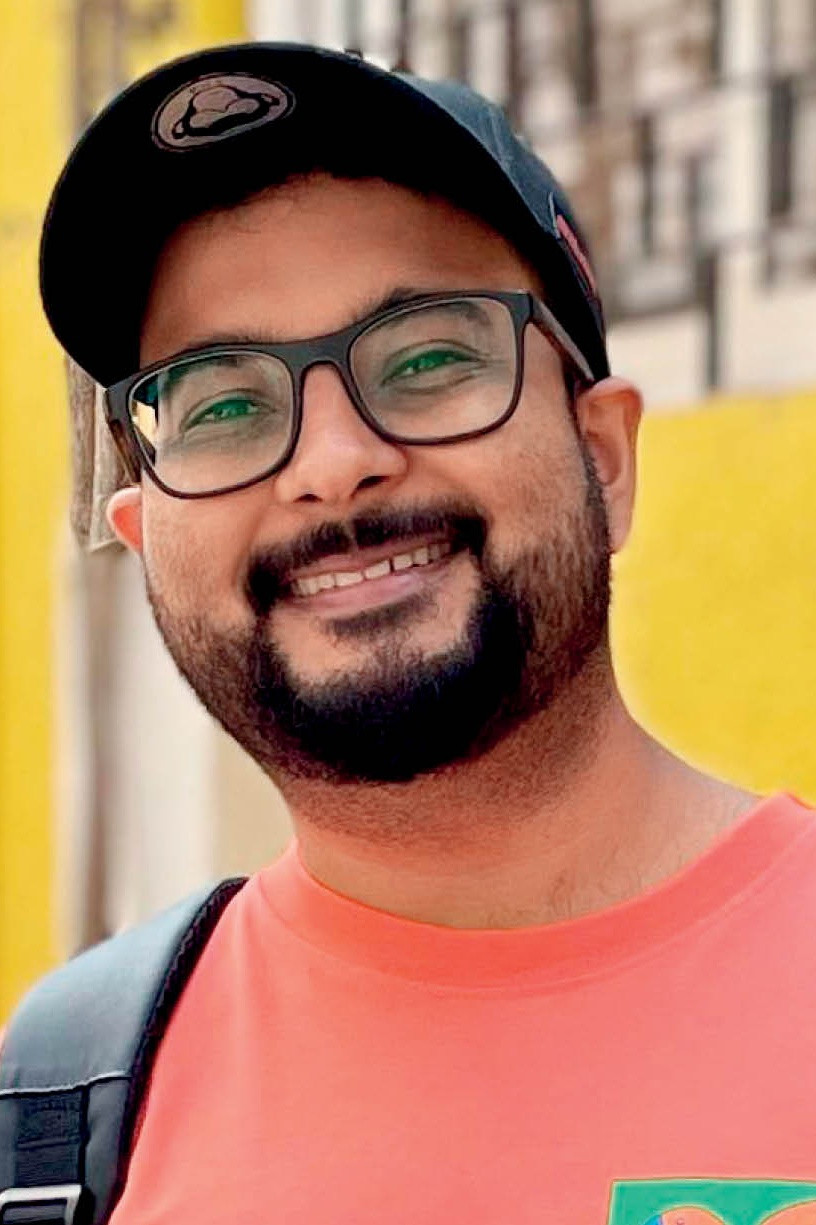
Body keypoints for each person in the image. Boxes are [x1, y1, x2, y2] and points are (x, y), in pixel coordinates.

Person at [14, 40, 816, 1225]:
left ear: (605, 460)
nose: (334, 463)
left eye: (430, 356)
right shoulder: (56, 1115)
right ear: (146, 543)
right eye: (225, 402)